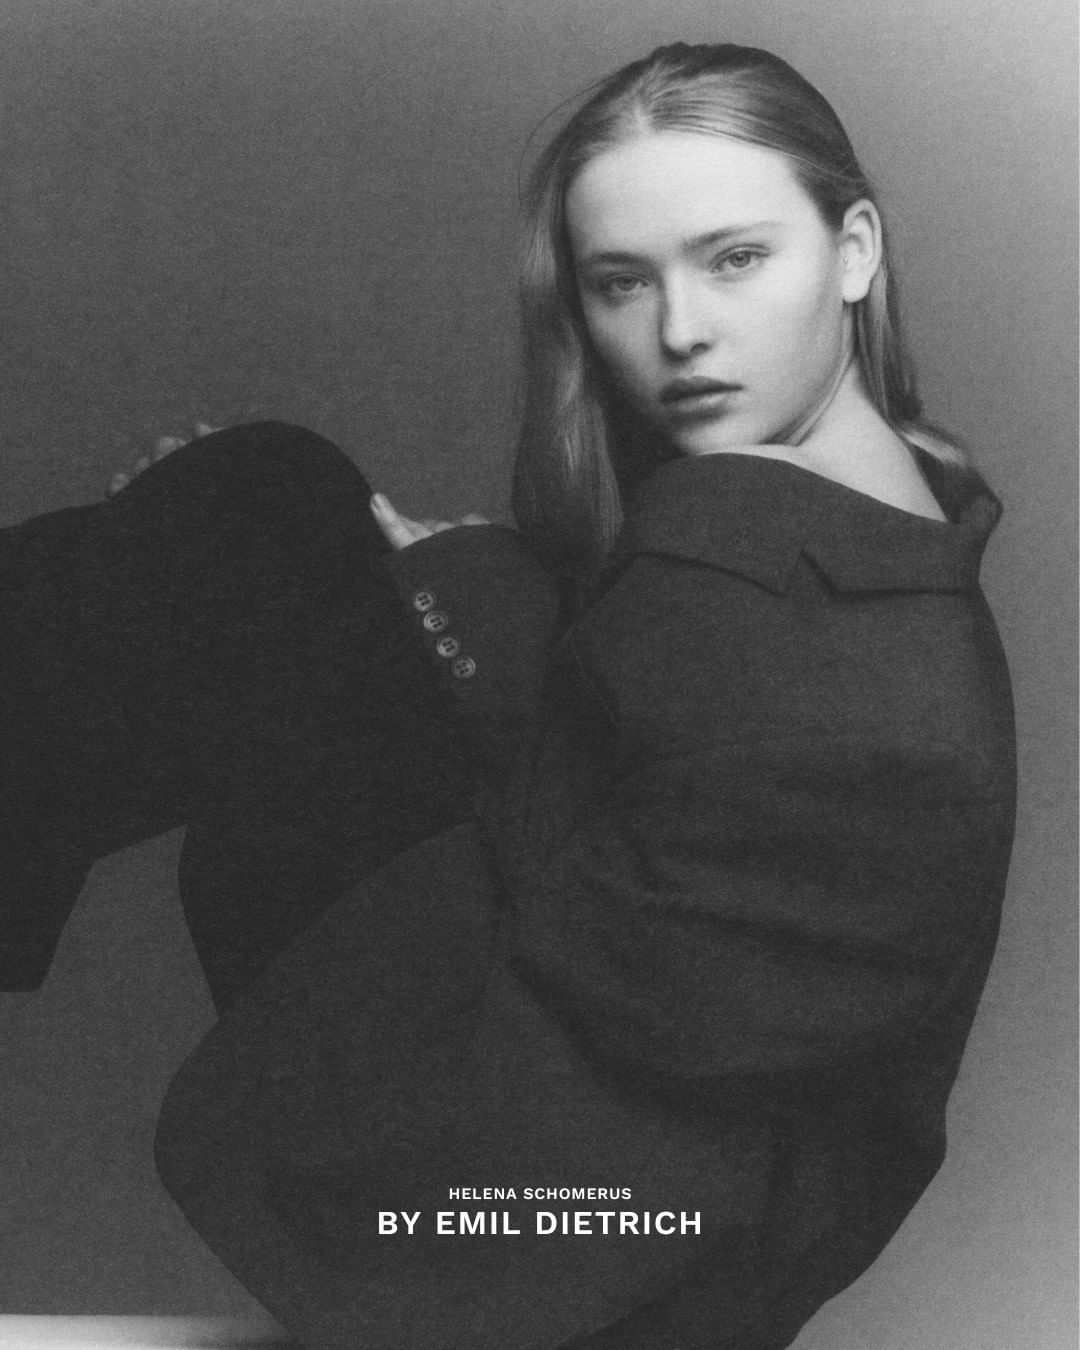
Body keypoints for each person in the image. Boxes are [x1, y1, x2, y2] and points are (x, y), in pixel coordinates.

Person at [0, 42, 1015, 1350]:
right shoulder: (825, 517)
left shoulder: (873, 684)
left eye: (734, 259)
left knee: (255, 532)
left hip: (572, 1220)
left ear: (854, 250)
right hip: (569, 1087)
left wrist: (450, 618)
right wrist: (417, 586)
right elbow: (643, 751)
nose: (682, 331)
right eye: (622, 281)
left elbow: (635, 979)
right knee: (270, 500)